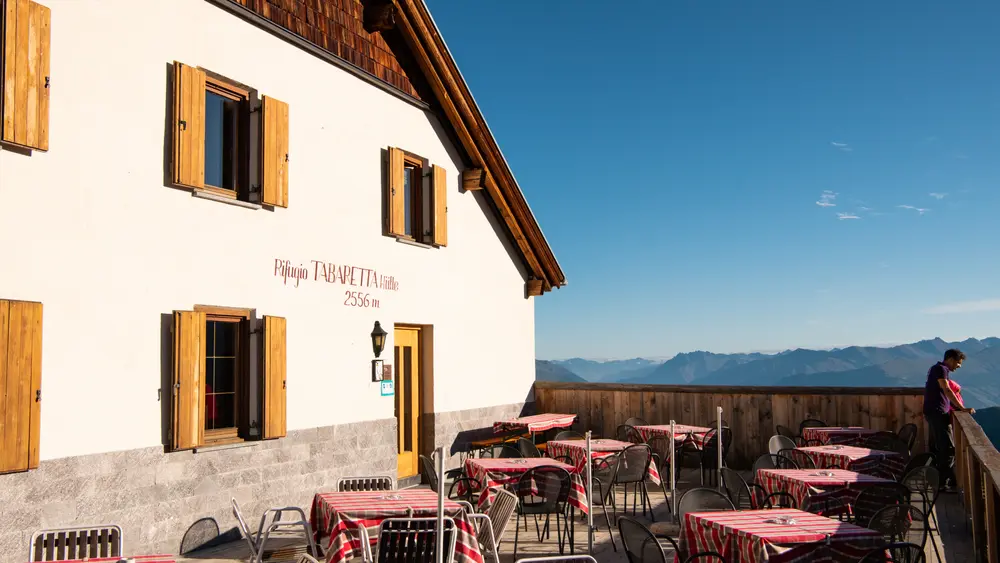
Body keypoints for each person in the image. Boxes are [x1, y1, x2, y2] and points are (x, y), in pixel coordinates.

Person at [923, 348, 975, 492]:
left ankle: (940, 480)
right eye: (958, 363)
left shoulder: (936, 368)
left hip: (935, 412)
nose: (959, 366)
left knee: (942, 447)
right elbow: (946, 389)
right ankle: (941, 483)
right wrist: (962, 408)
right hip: (937, 413)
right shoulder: (941, 369)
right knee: (947, 448)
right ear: (951, 359)